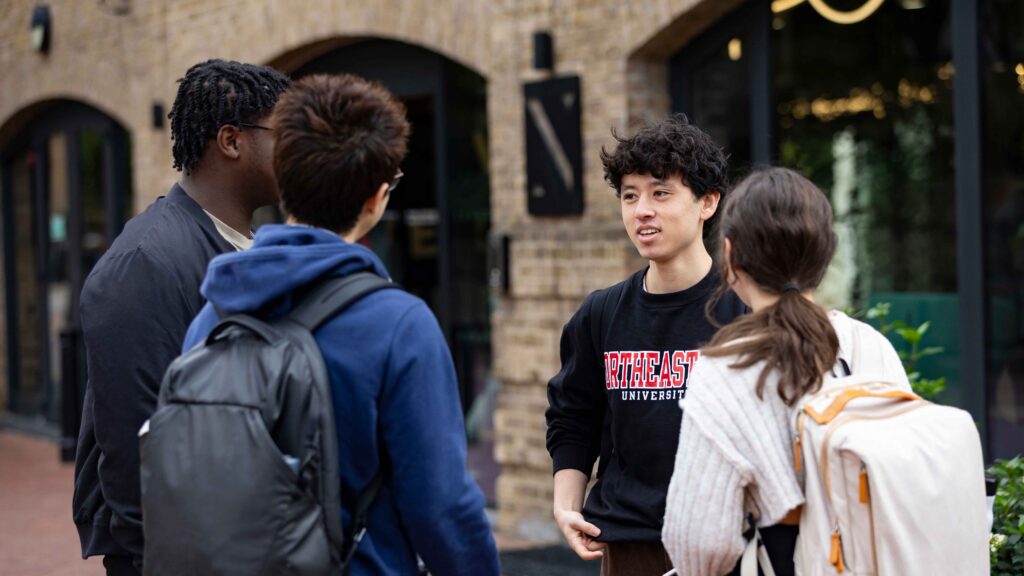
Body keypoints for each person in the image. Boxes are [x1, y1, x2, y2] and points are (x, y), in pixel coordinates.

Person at [181, 73, 501, 576]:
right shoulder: (398, 324)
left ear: (283, 182)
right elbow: (442, 505)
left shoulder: (215, 313)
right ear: (376, 198)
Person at [72, 59, 290, 575]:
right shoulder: (144, 262)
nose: (300, 151)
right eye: (287, 134)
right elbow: (133, 452)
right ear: (232, 141)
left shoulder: (245, 249)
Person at [661, 167, 910, 575]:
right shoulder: (869, 345)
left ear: (730, 255)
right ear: (825, 253)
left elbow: (700, 542)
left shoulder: (725, 370)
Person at [545, 114, 748, 576]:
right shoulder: (601, 314)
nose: (642, 211)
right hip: (629, 544)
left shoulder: (743, 312)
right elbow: (573, 415)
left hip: (728, 545)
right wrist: (566, 505)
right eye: (630, 196)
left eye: (661, 193)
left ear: (707, 202)